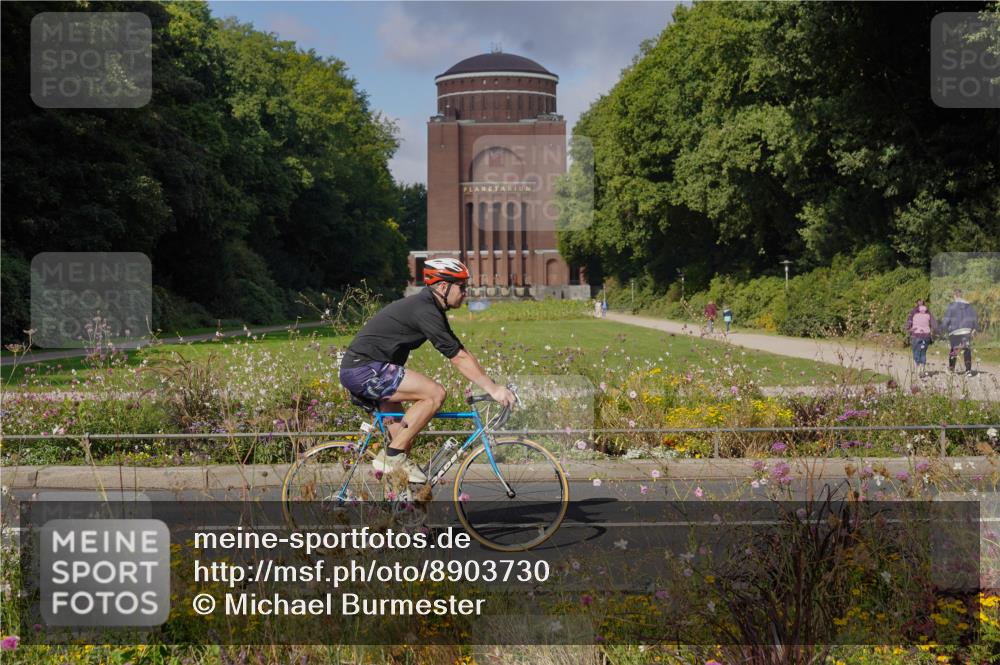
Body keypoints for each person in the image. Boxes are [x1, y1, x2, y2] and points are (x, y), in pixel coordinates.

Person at [339, 258, 516, 482]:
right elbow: (457, 357)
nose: (465, 292)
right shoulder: (425, 309)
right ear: (443, 286)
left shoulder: (430, 308)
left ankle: (398, 507)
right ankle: (391, 457)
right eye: (462, 286)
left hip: (370, 370)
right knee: (435, 394)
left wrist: (492, 384)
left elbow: (460, 350)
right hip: (365, 369)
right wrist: (493, 390)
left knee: (403, 443)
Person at [940, 289, 978, 376]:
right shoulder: (969, 305)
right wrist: (974, 328)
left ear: (955, 296)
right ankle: (968, 370)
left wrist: (942, 328)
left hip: (955, 330)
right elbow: (974, 317)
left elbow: (947, 318)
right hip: (967, 330)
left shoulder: (952, 305)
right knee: (967, 349)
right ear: (961, 295)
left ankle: (951, 369)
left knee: (954, 349)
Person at [908, 303, 935, 378]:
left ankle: (918, 365)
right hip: (926, 336)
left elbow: (909, 322)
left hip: (916, 335)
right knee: (923, 352)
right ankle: (922, 367)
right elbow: (934, 324)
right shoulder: (929, 314)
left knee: (915, 351)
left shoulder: (913, 313)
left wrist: (908, 329)